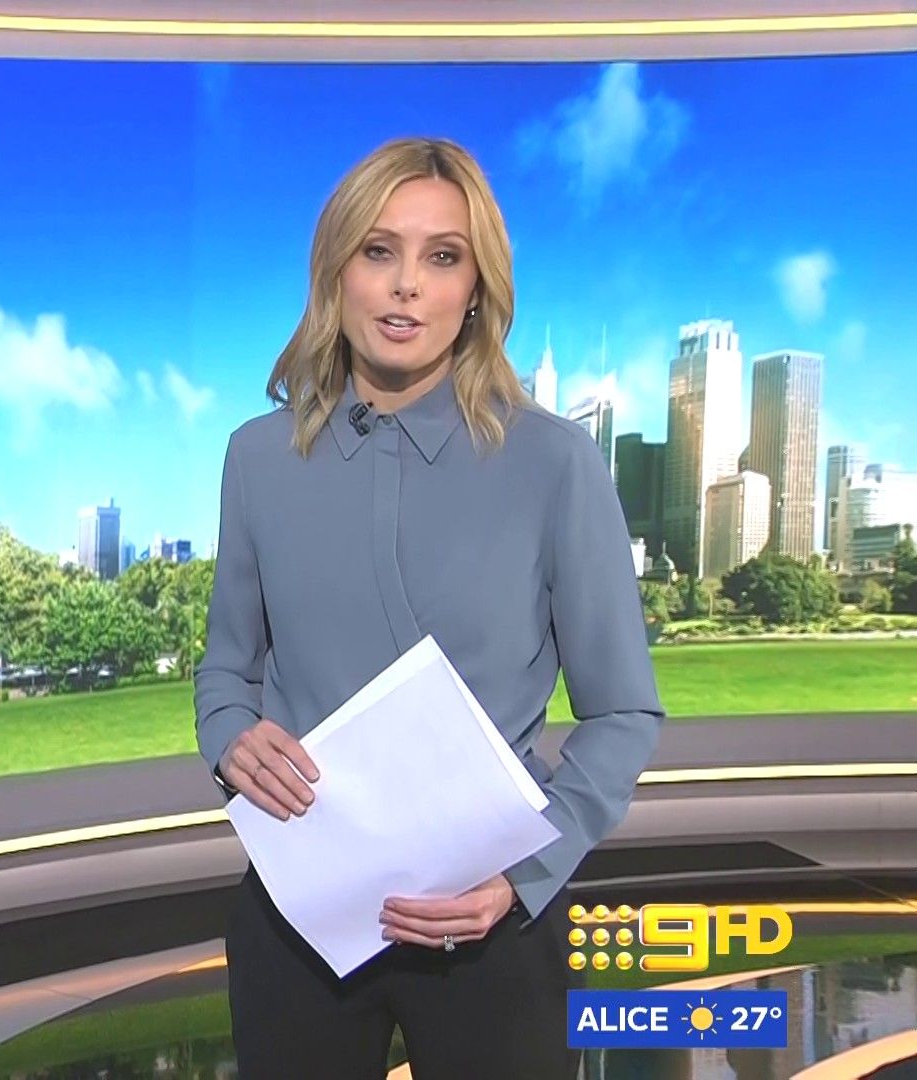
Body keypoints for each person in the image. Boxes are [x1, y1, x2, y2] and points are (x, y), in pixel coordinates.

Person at [194, 136, 663, 1078]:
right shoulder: (256, 457)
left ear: (477, 288)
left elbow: (623, 713)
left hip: (495, 924)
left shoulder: (555, 463)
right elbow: (227, 669)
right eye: (379, 251)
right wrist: (230, 740)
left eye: (442, 256)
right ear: (337, 272)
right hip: (301, 915)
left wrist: (524, 875)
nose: (407, 284)